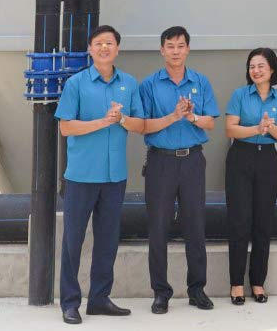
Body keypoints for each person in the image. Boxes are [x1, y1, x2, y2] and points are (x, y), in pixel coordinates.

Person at [54, 23, 145, 325]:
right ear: (90, 50)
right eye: (98, 43)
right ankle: (70, 302)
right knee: (73, 241)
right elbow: (66, 127)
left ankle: (99, 299)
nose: (104, 47)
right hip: (81, 176)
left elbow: (140, 125)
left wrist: (122, 119)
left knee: (108, 240)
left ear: (117, 49)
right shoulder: (77, 83)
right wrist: (104, 122)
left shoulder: (129, 83)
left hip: (114, 176)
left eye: (110, 43)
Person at [136, 25, 220, 314]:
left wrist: (192, 115)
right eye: (170, 46)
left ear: (188, 49)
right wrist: (173, 116)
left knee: (195, 226)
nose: (175, 50)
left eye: (180, 45)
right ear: (162, 50)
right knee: (158, 228)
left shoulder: (201, 81)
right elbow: (143, 126)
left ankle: (197, 289)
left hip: (193, 161)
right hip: (160, 161)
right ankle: (161, 292)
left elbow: (211, 122)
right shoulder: (148, 85)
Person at [225, 47, 277, 304]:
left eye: (261, 66)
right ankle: (235, 284)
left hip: (267, 159)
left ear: (272, 70)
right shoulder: (239, 95)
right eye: (252, 66)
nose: (255, 70)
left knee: (263, 223)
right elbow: (230, 129)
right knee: (239, 221)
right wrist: (256, 127)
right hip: (240, 158)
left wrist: (271, 127)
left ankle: (257, 282)